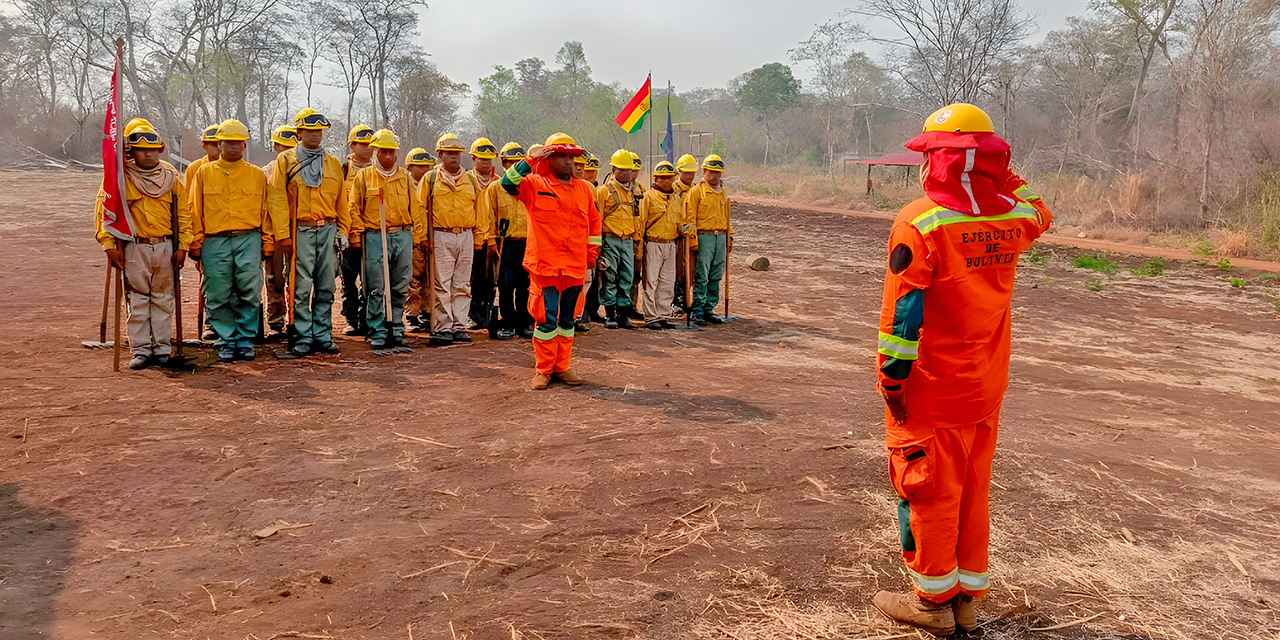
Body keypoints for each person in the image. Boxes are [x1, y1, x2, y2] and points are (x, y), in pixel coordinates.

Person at [872, 103, 1053, 637]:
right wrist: (996, 170)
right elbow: (1040, 206)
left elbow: (902, 317)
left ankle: (931, 604)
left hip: (932, 390)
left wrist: (892, 383)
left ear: (940, 162)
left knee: (927, 491)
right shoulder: (1015, 218)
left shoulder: (919, 221)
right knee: (973, 491)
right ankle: (966, 601)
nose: (923, 168)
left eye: (928, 157)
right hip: (985, 387)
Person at [500, 133, 600, 390]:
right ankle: (543, 370)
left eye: (571, 157)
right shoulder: (534, 184)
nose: (569, 162)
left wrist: (591, 255)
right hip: (545, 266)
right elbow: (507, 183)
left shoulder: (585, 190)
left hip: (575, 266)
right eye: (562, 157)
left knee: (567, 321)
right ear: (549, 159)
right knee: (546, 320)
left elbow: (594, 223)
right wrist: (531, 159)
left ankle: (562, 367)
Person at [94, 118, 191, 369]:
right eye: (142, 149)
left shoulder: (171, 176)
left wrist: (183, 246)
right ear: (130, 151)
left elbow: (184, 214)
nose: (148, 154)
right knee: (137, 301)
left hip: (166, 247)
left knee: (163, 299)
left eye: (153, 149)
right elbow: (104, 213)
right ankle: (140, 350)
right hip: (134, 247)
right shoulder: (118, 178)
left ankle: (162, 348)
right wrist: (108, 245)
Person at [188, 119, 286, 362]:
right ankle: (226, 339)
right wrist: (196, 242)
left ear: (244, 145)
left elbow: (265, 211)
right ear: (219, 145)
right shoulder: (203, 173)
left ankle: (244, 339)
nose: (233, 147)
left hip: (248, 239)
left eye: (237, 143)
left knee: (249, 291)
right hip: (214, 240)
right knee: (218, 292)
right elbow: (195, 210)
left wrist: (267, 241)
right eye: (227, 142)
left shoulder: (256, 175)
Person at [266, 109, 350, 357]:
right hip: (299, 230)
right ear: (299, 133)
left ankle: (322, 335)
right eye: (309, 130)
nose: (314, 135)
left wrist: (343, 230)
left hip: (327, 230)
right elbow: (277, 199)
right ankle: (302, 335)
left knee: (326, 287)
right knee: (300, 287)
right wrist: (283, 235)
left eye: (318, 131)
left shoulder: (333, 163)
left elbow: (341, 200)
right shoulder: (286, 160)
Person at [347, 129, 425, 351]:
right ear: (375, 152)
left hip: (402, 235)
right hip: (375, 235)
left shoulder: (405, 178)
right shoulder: (364, 176)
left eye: (392, 152)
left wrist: (417, 237)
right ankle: (377, 329)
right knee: (375, 287)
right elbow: (354, 207)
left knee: (400, 285)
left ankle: (396, 328)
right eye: (383, 152)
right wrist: (358, 233)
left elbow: (416, 209)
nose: (388, 157)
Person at [419, 133, 484, 345]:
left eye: (457, 153)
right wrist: (422, 237)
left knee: (463, 284)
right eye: (449, 153)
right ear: (440, 155)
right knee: (441, 284)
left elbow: (480, 211)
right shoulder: (430, 179)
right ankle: (443, 327)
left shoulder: (471, 181)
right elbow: (420, 210)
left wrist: (479, 239)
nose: (454, 157)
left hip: (465, 235)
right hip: (441, 235)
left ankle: (459, 325)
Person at [480, 142, 533, 339]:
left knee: (525, 286)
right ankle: (507, 323)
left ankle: (524, 323)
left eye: (517, 163)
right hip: (505, 244)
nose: (513, 166)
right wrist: (492, 242)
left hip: (528, 243)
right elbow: (489, 216)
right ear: (503, 163)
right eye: (510, 162)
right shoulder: (495, 188)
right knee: (505, 286)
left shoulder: (530, 187)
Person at [595, 150, 643, 329]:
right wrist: (598, 245)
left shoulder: (634, 192)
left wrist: (637, 241)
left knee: (626, 278)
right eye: (621, 170)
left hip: (628, 240)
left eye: (628, 170)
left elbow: (636, 217)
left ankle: (623, 316)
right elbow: (597, 219)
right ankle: (610, 315)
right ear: (613, 169)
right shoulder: (604, 191)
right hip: (610, 240)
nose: (626, 174)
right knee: (609, 277)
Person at [261, 125, 298, 336]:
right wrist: (267, 237)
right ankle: (275, 321)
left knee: (297, 278)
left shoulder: (303, 170)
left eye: (291, 147)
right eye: (283, 147)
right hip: (274, 233)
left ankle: (297, 319)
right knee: (274, 279)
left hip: (298, 232)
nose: (287, 151)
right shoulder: (265, 173)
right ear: (275, 146)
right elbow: (264, 208)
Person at [339, 124, 376, 336]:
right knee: (348, 278)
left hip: (371, 233)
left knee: (371, 278)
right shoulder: (342, 169)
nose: (367, 148)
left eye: (370, 145)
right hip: (347, 232)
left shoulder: (379, 171)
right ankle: (351, 318)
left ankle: (367, 318)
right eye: (362, 144)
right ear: (352, 145)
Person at [187, 123, 221, 341]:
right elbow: (191, 206)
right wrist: (195, 240)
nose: (216, 149)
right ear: (204, 146)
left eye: (219, 144)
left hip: (228, 232)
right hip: (206, 234)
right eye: (212, 145)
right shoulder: (196, 169)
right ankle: (211, 322)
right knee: (210, 281)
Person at [687, 154, 731, 325]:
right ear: (704, 171)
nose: (715, 176)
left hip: (720, 236)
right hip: (704, 236)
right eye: (711, 172)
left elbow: (727, 217)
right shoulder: (696, 192)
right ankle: (697, 310)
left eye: (718, 173)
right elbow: (689, 218)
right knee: (702, 274)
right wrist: (693, 240)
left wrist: (730, 236)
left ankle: (709, 309)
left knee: (716, 274)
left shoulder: (722, 192)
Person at [639, 160, 683, 330]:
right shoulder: (648, 197)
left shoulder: (676, 198)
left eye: (669, 178)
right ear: (655, 179)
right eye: (662, 178)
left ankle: (662, 315)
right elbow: (642, 221)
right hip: (652, 242)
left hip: (670, 243)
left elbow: (679, 220)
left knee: (667, 281)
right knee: (651, 281)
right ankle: (651, 316)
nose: (666, 181)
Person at [468, 137, 501, 330]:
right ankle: (473, 314)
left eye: (489, 159)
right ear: (473, 159)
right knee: (474, 278)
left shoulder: (499, 183)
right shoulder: (467, 181)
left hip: (494, 239)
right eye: (482, 159)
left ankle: (488, 314)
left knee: (491, 279)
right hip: (472, 239)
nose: (486, 163)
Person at [404, 147, 437, 332]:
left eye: (427, 166)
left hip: (431, 240)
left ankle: (427, 312)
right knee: (413, 280)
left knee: (430, 279)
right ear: (410, 167)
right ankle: (412, 315)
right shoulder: (406, 186)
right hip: (414, 241)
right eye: (420, 166)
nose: (424, 170)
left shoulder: (433, 185)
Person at [572, 150, 602, 333]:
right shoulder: (555, 186)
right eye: (576, 164)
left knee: (584, 283)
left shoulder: (589, 189)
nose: (580, 168)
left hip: (582, 246)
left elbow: (594, 221)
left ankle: (576, 317)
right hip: (565, 247)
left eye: (582, 165)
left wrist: (593, 251)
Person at [672, 153, 699, 313]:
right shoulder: (673, 190)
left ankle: (687, 301)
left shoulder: (696, 190)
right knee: (677, 270)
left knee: (690, 269)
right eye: (686, 172)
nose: (689, 175)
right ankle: (676, 302)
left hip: (691, 236)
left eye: (692, 172)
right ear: (679, 172)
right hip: (676, 236)